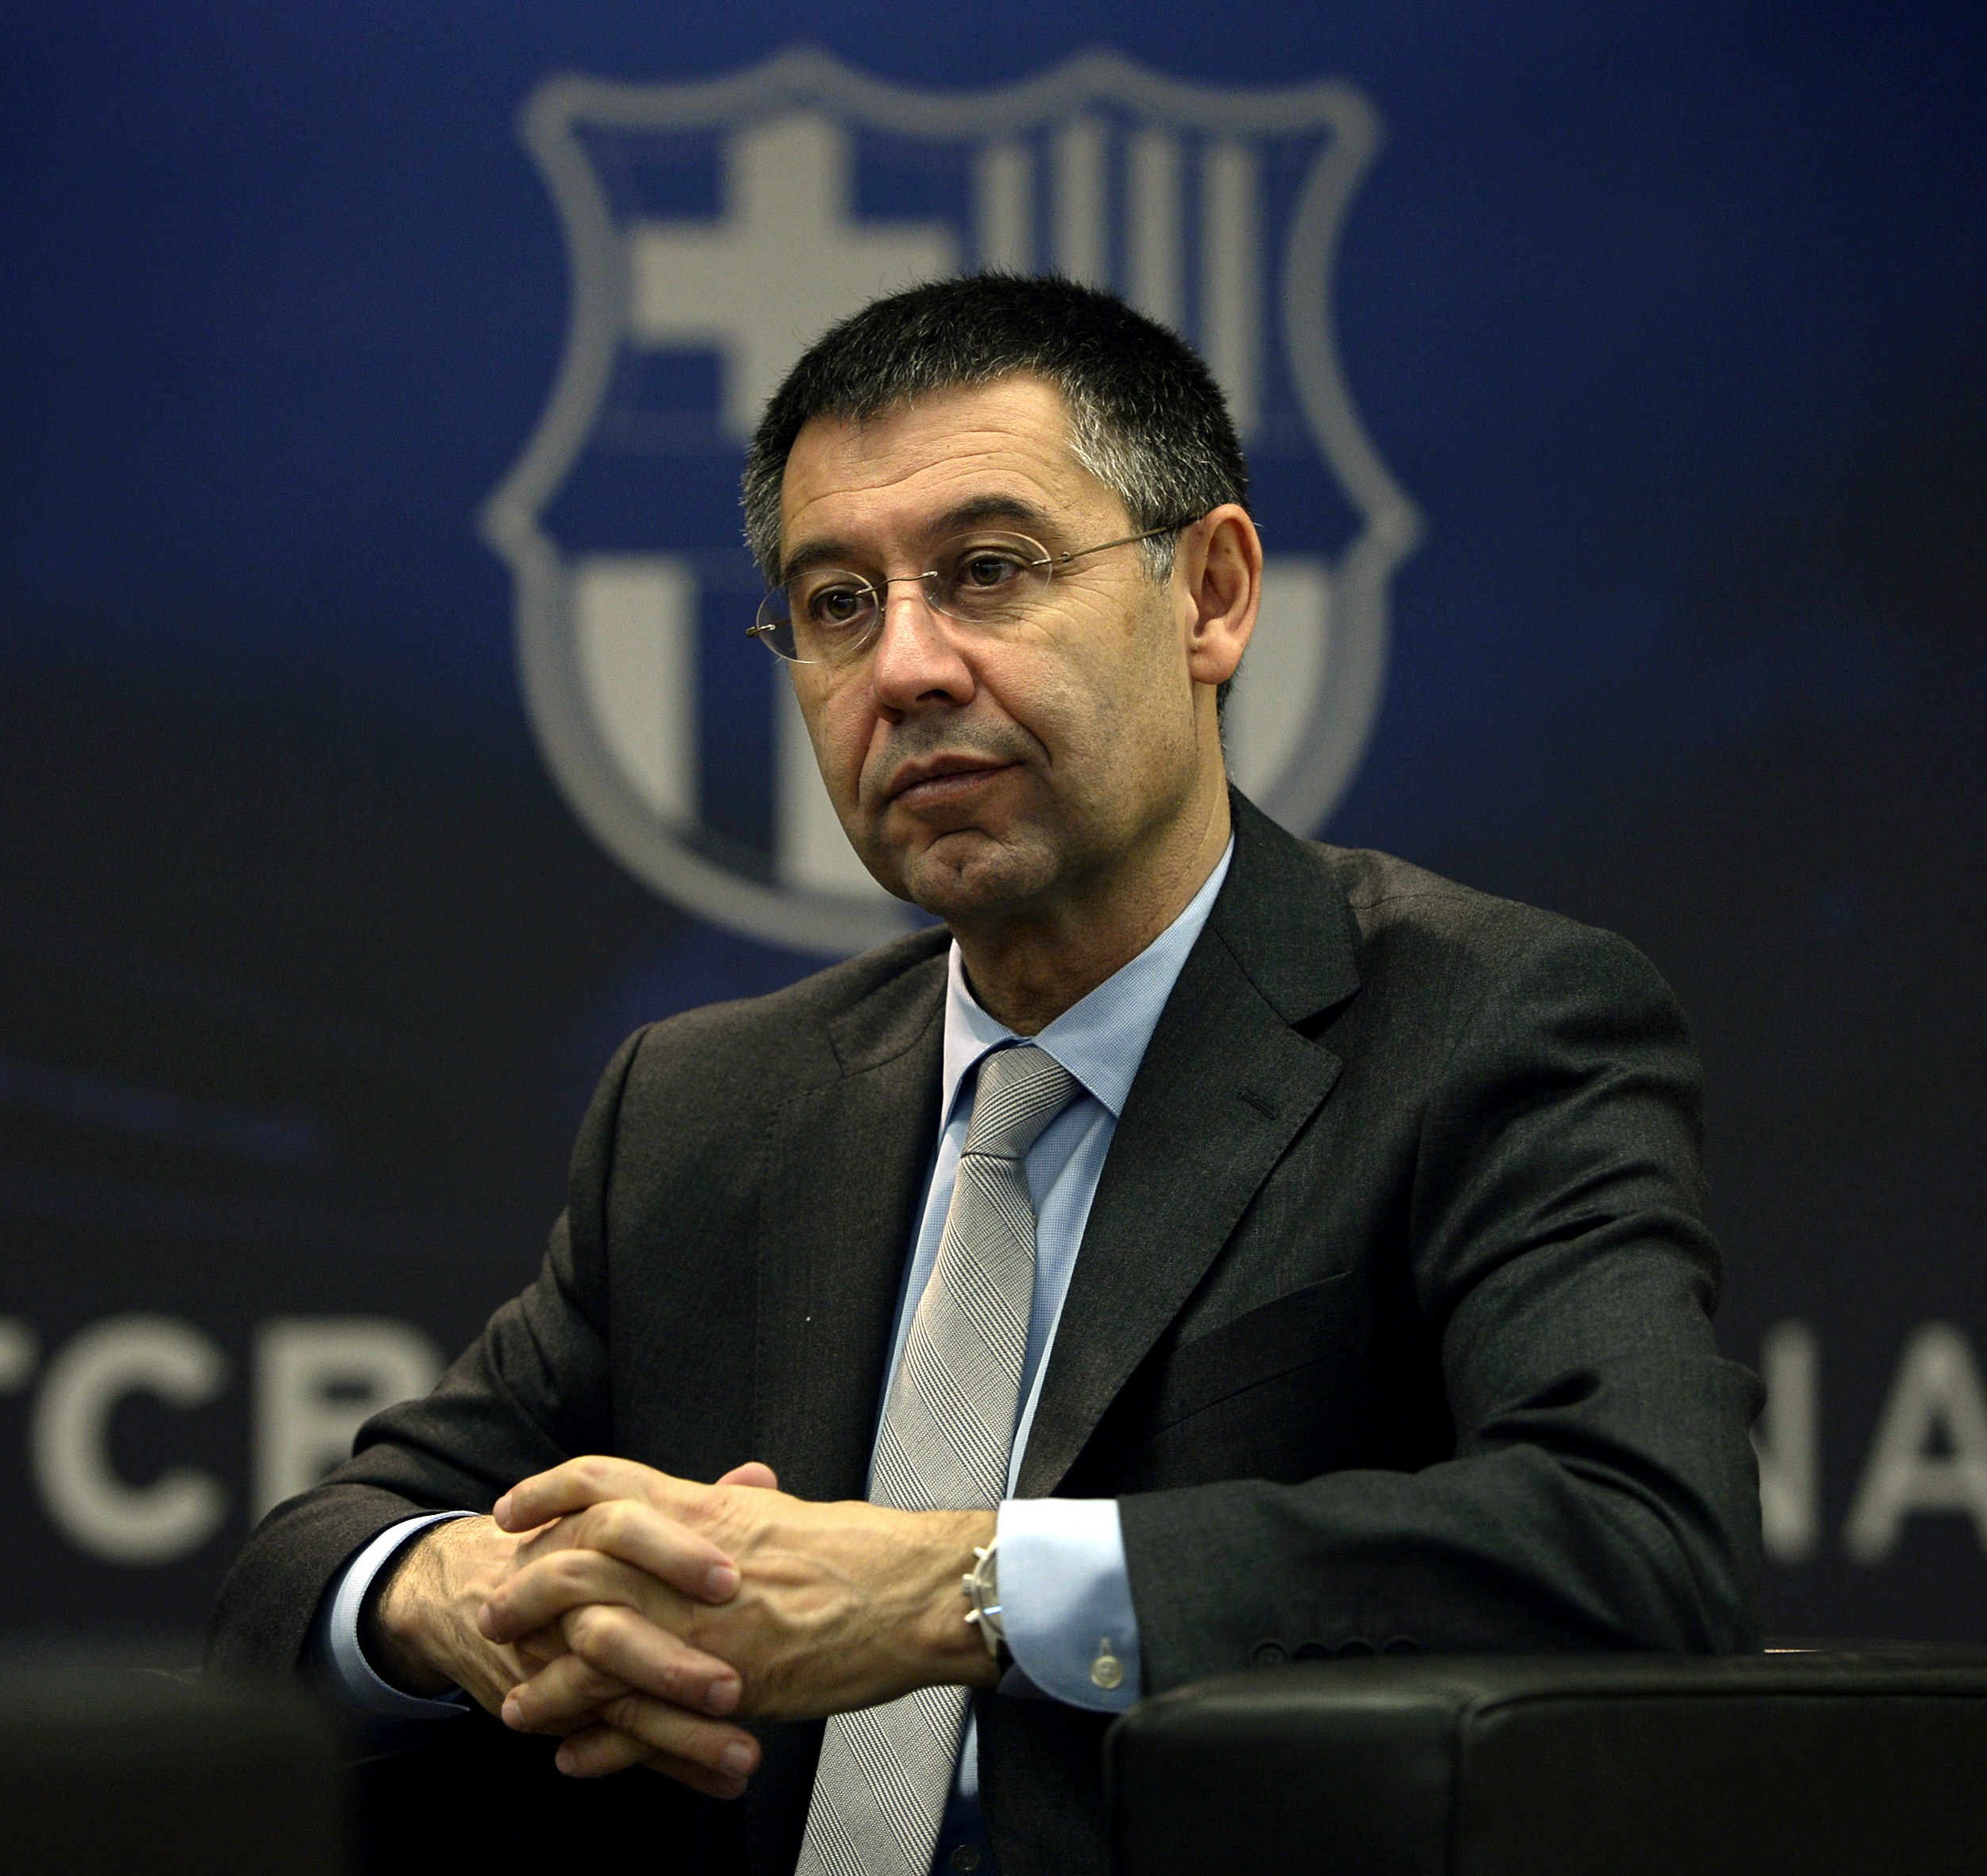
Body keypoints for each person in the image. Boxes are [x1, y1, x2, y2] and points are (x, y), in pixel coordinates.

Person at [208, 273, 1762, 1876]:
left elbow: (1636, 1543)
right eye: (832, 604)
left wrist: (961, 1588)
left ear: (1211, 594)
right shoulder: (705, 1106)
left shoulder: (1484, 1024)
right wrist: (452, 1592)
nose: (905, 668)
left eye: (989, 573)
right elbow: (294, 1578)